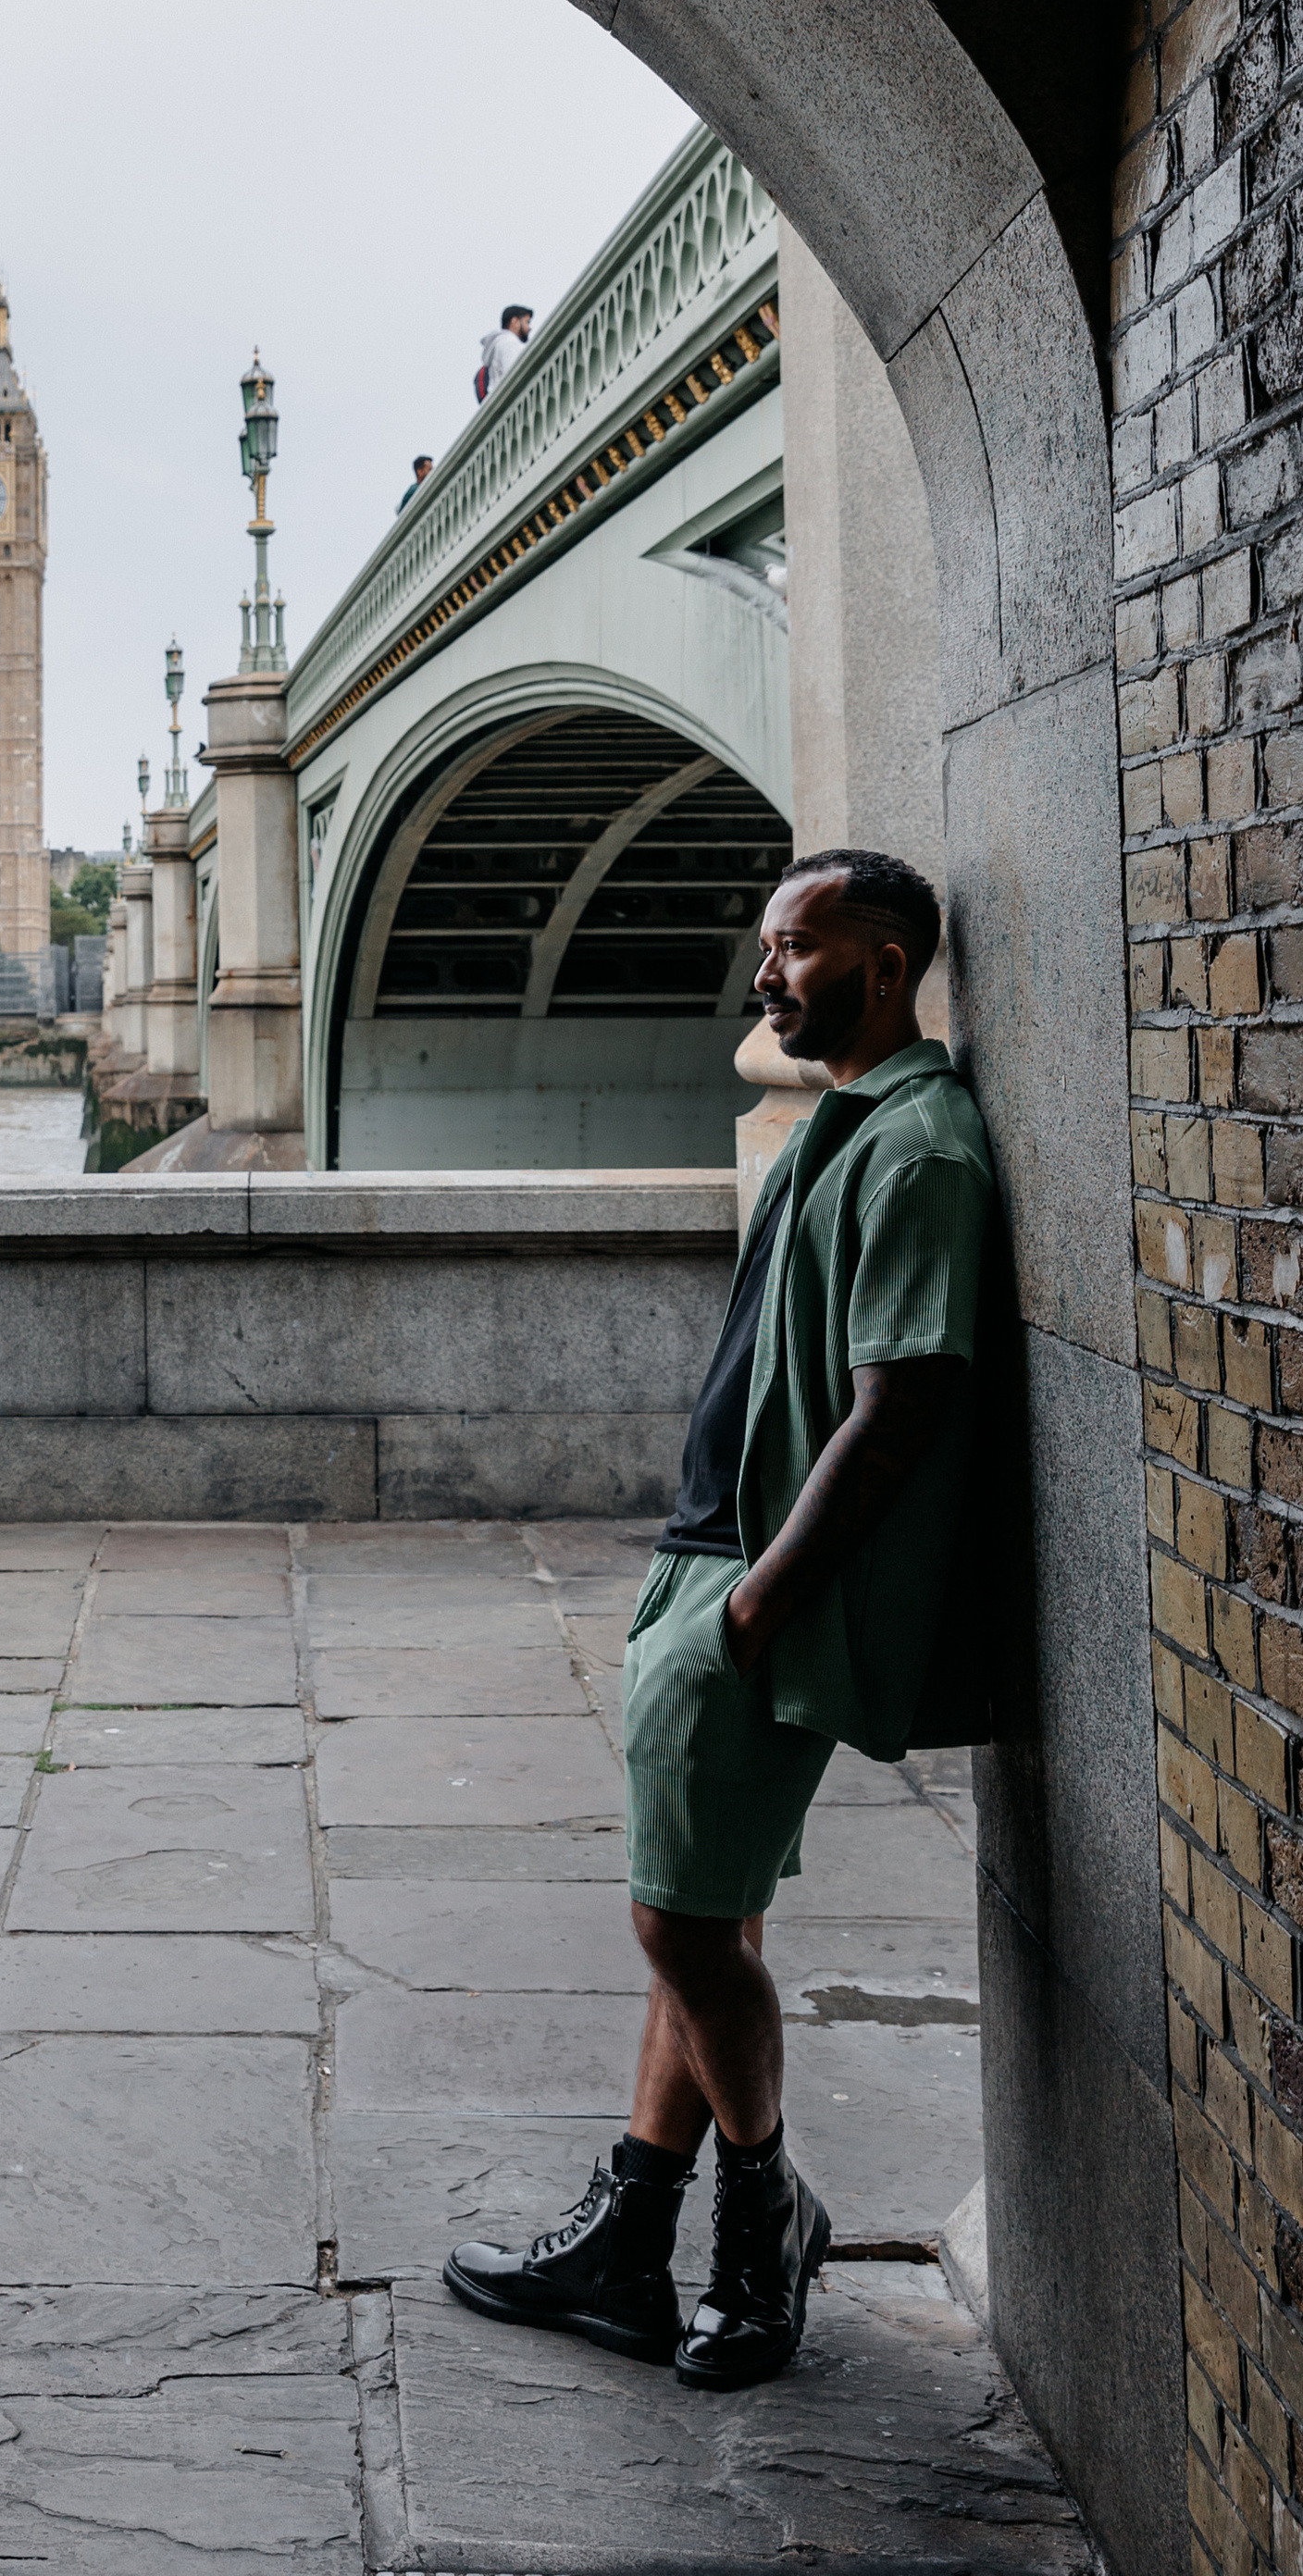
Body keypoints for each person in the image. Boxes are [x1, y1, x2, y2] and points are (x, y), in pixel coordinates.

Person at [443, 848, 993, 2392]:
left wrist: (757, 1604)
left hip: (748, 1579)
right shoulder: (853, 1123)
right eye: (767, 946)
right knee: (706, 1914)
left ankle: (764, 2226)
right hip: (712, 1557)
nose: (766, 977)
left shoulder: (921, 1153)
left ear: (884, 966)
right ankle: (632, 2242)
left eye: (795, 949)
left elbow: (899, 1412)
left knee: (677, 1923)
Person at [476, 303, 533, 402]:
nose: (529, 328)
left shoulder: (499, 344)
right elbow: (513, 374)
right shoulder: (509, 343)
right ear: (515, 321)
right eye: (527, 322)